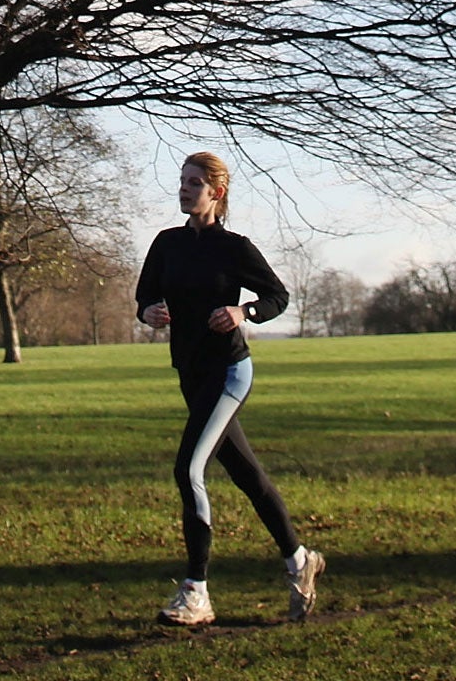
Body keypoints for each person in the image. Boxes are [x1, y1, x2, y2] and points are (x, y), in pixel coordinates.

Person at [134, 150, 324, 627]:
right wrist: (149, 313)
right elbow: (144, 296)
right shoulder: (166, 244)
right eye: (182, 181)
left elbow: (277, 295)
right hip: (190, 372)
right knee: (247, 475)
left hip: (229, 371)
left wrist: (244, 313)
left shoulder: (234, 247)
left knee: (188, 469)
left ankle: (196, 591)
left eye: (194, 183)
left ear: (216, 193)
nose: (184, 189)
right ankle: (300, 561)